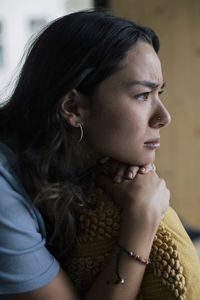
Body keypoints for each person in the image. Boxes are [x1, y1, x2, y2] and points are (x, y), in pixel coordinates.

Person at [0, 9, 199, 300]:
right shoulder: (4, 193)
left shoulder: (86, 162)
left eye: (160, 94)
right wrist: (141, 220)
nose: (163, 117)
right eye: (143, 95)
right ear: (74, 108)